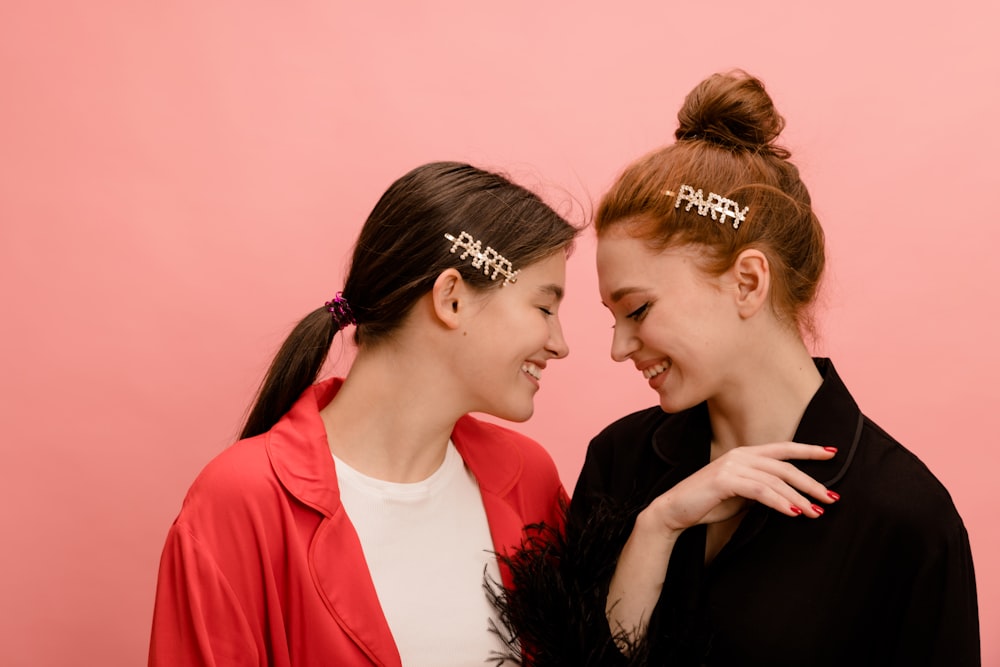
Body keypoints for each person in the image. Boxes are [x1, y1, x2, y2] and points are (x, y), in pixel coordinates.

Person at [491, 72, 980, 666]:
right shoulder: (620, 462)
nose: (619, 348)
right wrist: (659, 526)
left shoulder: (905, 517)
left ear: (748, 282)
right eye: (613, 317)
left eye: (638, 309)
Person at [148, 161, 580, 667]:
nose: (559, 344)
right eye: (545, 308)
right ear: (452, 298)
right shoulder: (238, 502)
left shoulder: (529, 480)